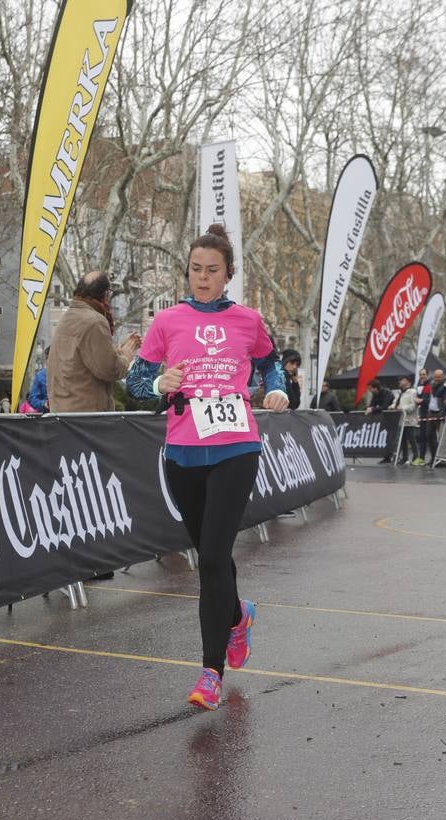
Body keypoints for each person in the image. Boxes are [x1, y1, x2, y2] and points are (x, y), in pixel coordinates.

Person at [125, 223, 288, 711]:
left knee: (215, 557)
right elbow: (135, 381)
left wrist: (277, 388)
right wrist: (159, 384)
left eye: (211, 270)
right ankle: (238, 616)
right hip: (183, 454)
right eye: (195, 269)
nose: (202, 277)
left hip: (237, 447)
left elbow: (271, 364)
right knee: (210, 558)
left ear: (228, 274)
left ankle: (210, 671)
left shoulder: (248, 320)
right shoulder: (167, 321)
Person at [47, 271, 142, 413]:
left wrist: (119, 352)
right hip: (86, 419)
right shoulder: (94, 322)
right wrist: (127, 355)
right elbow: (110, 369)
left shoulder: (68, 318)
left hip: (64, 415)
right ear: (106, 294)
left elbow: (85, 362)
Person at [417, 368, 446, 466]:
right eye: (436, 377)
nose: (437, 378)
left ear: (442, 377)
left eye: (439, 377)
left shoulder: (444, 385)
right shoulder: (431, 384)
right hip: (431, 412)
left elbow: (439, 394)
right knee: (429, 435)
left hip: (440, 412)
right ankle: (434, 457)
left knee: (441, 437)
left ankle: (440, 459)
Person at [396, 376, 418, 464]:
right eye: (401, 380)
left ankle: (416, 457)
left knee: (411, 438)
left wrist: (402, 408)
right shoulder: (401, 393)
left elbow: (412, 406)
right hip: (402, 420)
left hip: (410, 419)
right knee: (402, 440)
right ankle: (404, 457)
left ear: (408, 383)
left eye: (403, 380)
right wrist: (393, 406)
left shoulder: (412, 392)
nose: (401, 382)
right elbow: (397, 402)